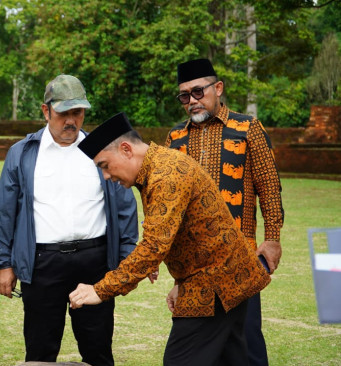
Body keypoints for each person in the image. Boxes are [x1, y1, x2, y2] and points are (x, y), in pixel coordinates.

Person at [69, 112, 272, 365]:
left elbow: (154, 246)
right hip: (223, 279)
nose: (107, 176)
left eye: (105, 166)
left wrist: (100, 290)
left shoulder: (166, 175)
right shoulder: (158, 166)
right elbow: (186, 234)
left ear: (126, 150)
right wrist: (180, 282)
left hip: (215, 284)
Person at [0, 74, 139, 366]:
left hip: (95, 262)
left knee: (97, 349)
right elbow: (5, 211)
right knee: (40, 351)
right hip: (43, 264)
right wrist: (4, 263)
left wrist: (127, 258)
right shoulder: (22, 153)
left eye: (78, 112)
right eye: (63, 113)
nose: (71, 120)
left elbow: (124, 206)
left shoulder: (102, 151)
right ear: (46, 111)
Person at [165, 58, 284, 366]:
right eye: (184, 96)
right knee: (197, 347)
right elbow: (171, 209)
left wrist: (272, 239)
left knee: (244, 344)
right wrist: (177, 277)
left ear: (217, 88)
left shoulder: (248, 129)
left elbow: (269, 188)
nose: (192, 101)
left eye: (198, 91)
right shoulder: (175, 139)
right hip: (193, 267)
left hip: (239, 259)